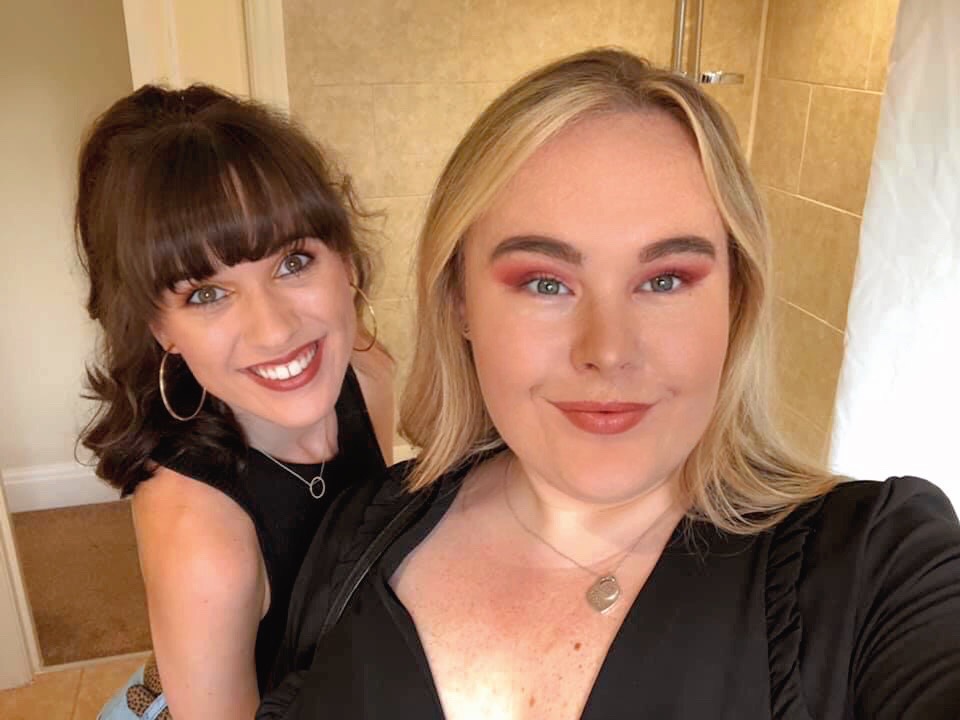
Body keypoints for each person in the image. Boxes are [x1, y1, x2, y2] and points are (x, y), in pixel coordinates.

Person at [259, 49, 960, 719]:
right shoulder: (357, 530)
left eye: (665, 280)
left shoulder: (878, 562)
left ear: (736, 300)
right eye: (545, 282)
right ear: (459, 302)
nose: (608, 351)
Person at [75, 84, 394, 719]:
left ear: (347, 263)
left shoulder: (368, 372)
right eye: (206, 294)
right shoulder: (202, 540)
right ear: (160, 329)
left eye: (294, 261)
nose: (274, 331)